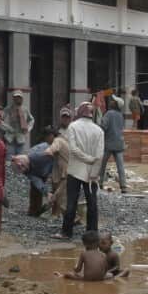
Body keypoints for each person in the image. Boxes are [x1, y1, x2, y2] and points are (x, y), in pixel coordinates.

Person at [53, 101, 103, 240]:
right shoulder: (99, 130)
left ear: (79, 112)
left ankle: (66, 232)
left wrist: (86, 158)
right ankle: (92, 233)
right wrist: (93, 166)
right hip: (92, 171)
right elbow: (99, 155)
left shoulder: (73, 127)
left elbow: (73, 150)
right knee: (92, 202)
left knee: (71, 202)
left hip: (75, 170)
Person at [13, 127, 67, 217]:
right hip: (44, 170)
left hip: (55, 162)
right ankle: (34, 211)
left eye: (23, 167)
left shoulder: (37, 155)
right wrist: (47, 193)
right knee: (35, 188)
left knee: (58, 186)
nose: (23, 170)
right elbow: (36, 181)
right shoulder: (27, 170)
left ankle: (56, 213)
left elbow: (52, 151)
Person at [100, 96, 128, 193]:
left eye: (113, 101)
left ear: (115, 104)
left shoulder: (109, 113)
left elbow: (103, 126)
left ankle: (99, 183)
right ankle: (123, 186)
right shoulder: (120, 115)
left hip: (108, 143)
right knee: (120, 166)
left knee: (102, 164)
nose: (111, 101)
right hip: (119, 143)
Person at [1, 91, 34, 158]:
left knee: (20, 159)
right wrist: (8, 128)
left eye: (19, 97)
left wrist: (28, 128)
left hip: (20, 137)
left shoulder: (25, 109)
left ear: (22, 98)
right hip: (10, 138)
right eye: (16, 97)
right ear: (13, 98)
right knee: (9, 158)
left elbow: (32, 120)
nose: (17, 99)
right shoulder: (8, 109)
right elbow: (0, 120)